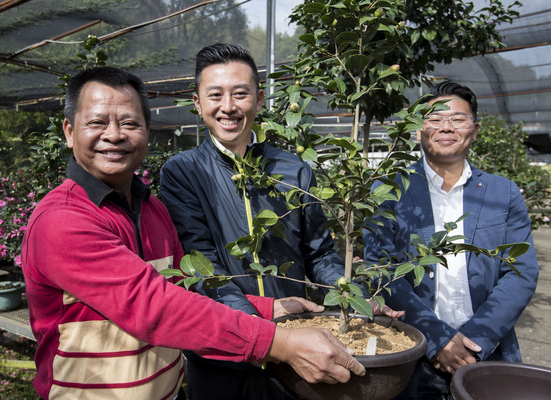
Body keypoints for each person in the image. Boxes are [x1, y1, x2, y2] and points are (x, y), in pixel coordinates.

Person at [21, 66, 367, 400]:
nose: (114, 135)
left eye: (130, 123)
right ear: (69, 131)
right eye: (97, 122)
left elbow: (184, 286)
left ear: (146, 131)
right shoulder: (62, 220)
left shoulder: (152, 209)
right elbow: (153, 305)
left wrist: (267, 307)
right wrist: (280, 343)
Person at [159, 43, 402, 400]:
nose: (228, 107)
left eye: (240, 94)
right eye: (215, 95)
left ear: (258, 100)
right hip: (223, 355)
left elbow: (320, 253)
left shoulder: (292, 169)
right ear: (198, 103)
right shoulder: (183, 172)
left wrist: (356, 298)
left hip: (295, 355)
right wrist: (263, 334)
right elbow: (202, 267)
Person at [363, 81, 539, 399]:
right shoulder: (389, 191)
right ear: (418, 129)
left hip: (486, 350)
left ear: (474, 130)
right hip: (412, 350)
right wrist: (438, 338)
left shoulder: (504, 192)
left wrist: (474, 340)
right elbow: (380, 269)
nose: (446, 126)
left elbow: (520, 273)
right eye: (434, 118)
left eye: (458, 119)